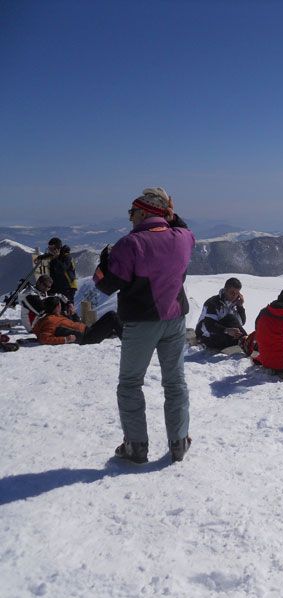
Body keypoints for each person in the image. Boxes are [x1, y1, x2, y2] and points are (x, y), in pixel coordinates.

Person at [94, 187, 195, 464]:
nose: (130, 218)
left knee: (129, 384)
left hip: (141, 322)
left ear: (142, 212)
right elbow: (183, 228)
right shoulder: (183, 238)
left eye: (132, 213)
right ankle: (179, 442)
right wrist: (171, 215)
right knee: (175, 383)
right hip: (175, 319)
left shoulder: (130, 244)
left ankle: (136, 446)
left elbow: (106, 284)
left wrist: (101, 265)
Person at [32, 296, 122, 345]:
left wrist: (73, 314)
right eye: (59, 305)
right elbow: (44, 338)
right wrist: (65, 339)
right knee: (112, 316)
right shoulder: (50, 321)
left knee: (111, 324)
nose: (61, 307)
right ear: (56, 307)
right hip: (87, 337)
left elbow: (73, 325)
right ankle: (128, 341)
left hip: (87, 330)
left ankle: (119, 332)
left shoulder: (55, 316)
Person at [195, 277, 247, 351]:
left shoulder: (232, 304)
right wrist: (227, 330)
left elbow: (241, 323)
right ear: (225, 290)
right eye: (232, 292)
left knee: (234, 328)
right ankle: (247, 342)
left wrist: (240, 306)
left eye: (236, 293)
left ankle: (249, 342)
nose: (234, 295)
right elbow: (209, 325)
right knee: (230, 318)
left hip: (220, 335)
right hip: (206, 337)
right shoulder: (213, 303)